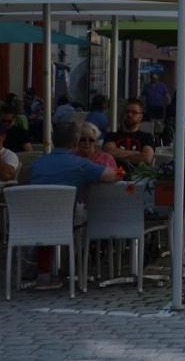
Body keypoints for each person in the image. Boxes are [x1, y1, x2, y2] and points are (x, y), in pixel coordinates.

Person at [29, 120, 119, 289]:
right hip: (65, 221)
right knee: (82, 215)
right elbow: (112, 175)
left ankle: (43, 274)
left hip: (35, 220)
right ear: (76, 142)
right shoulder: (80, 164)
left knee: (49, 216)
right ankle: (77, 267)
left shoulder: (37, 164)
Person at [104, 98, 156, 167]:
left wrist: (118, 154)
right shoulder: (111, 136)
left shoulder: (147, 137)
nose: (129, 115)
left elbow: (147, 158)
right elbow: (108, 153)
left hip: (138, 176)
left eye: (134, 112)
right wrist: (137, 153)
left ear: (141, 116)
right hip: (114, 175)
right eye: (127, 112)